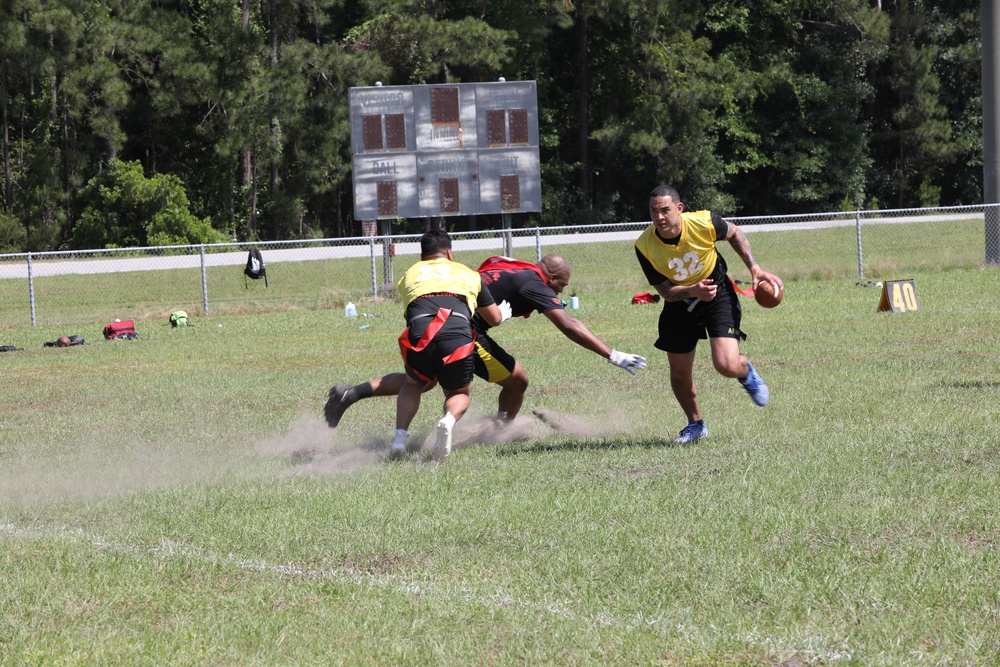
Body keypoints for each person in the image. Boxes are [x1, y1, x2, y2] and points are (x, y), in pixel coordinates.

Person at [324, 253, 647, 431]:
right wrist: (612, 353)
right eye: (561, 286)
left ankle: (350, 393)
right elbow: (568, 323)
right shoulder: (535, 283)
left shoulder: (510, 263)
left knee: (420, 381)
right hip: (464, 332)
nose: (559, 293)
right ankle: (500, 431)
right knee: (518, 381)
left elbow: (484, 269)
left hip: (437, 319)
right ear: (550, 278)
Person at [634, 184, 783, 444]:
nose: (659, 217)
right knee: (679, 374)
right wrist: (692, 290)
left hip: (717, 295)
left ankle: (744, 369)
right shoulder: (644, 245)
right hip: (681, 303)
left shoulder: (703, 222)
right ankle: (695, 424)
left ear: (679, 209)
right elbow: (667, 292)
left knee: (725, 365)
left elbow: (735, 233)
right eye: (653, 211)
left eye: (665, 210)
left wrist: (755, 269)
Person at [389, 229, 508, 462]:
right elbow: (493, 318)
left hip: (419, 334)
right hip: (456, 336)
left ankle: (399, 438)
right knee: (458, 392)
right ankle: (448, 420)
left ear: (423, 255)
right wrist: (502, 313)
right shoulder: (468, 274)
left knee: (413, 385)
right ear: (449, 253)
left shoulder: (410, 274)